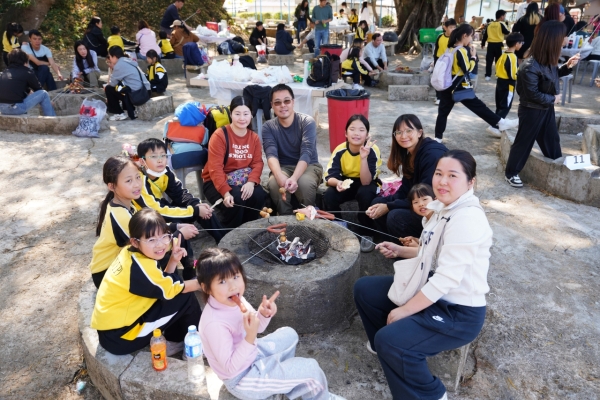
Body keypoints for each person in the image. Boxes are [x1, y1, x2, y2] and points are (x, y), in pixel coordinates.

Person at [354, 149, 492, 400]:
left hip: (458, 311)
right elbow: (429, 254)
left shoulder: (467, 218)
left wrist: (405, 310)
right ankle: (388, 350)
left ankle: (432, 394)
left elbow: (446, 278)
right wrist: (400, 250)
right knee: (365, 290)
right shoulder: (441, 208)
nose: (442, 181)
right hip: (431, 289)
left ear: (470, 182)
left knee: (390, 341)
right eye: (439, 173)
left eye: (453, 175)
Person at [196, 248, 345, 400]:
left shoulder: (234, 299)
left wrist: (263, 314)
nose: (233, 286)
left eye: (235, 276)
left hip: (252, 355)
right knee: (310, 369)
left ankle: (281, 382)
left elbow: (258, 327)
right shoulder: (213, 324)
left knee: (290, 334)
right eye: (222, 281)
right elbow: (230, 367)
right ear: (206, 288)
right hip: (242, 378)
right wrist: (250, 337)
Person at [90, 208, 202, 355]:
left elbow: (164, 284)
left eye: (164, 236)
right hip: (121, 338)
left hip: (113, 330)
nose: (160, 244)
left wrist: (174, 260)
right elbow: (176, 288)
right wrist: (206, 281)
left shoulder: (130, 253)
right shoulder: (140, 268)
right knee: (186, 296)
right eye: (151, 240)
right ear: (135, 242)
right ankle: (195, 345)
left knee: (176, 293)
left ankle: (176, 340)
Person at [504, 21, 580, 188]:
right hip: (531, 111)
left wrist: (567, 66)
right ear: (552, 40)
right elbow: (532, 94)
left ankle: (557, 165)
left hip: (546, 109)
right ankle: (511, 173)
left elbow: (551, 77)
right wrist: (553, 99)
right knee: (524, 142)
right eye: (562, 36)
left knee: (552, 139)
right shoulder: (529, 66)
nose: (565, 39)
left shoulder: (549, 61)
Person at [134, 138, 225, 255]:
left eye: (163, 155)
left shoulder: (165, 171)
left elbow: (180, 193)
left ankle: (223, 241)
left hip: (162, 208)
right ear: (142, 161)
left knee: (204, 210)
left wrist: (196, 205)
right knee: (179, 225)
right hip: (147, 218)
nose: (160, 160)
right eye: (154, 156)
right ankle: (189, 262)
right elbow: (157, 210)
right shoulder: (139, 180)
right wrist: (195, 211)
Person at [367, 114, 446, 240]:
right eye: (399, 132)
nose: (403, 136)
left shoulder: (432, 155)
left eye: (409, 131)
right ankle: (388, 244)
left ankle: (405, 248)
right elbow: (406, 190)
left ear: (419, 133)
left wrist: (389, 206)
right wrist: (387, 203)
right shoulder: (411, 154)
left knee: (395, 216)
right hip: (420, 201)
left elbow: (426, 197)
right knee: (377, 202)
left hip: (435, 210)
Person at [434, 24, 519, 142]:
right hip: (460, 84)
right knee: (479, 106)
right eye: (471, 36)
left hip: (448, 84)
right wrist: (473, 57)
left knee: (443, 112)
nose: (471, 39)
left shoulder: (450, 49)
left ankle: (438, 138)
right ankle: (501, 122)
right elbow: (467, 69)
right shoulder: (461, 50)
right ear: (465, 36)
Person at [202, 96, 267, 230]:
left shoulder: (254, 138)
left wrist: (251, 182)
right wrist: (225, 192)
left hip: (243, 178)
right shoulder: (220, 135)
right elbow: (215, 168)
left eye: (246, 114)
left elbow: (257, 163)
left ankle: (249, 230)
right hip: (215, 182)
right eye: (237, 114)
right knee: (237, 197)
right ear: (231, 114)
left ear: (251, 115)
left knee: (259, 195)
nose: (242, 118)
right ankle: (230, 232)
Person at [263, 84, 323, 215]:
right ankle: (286, 219)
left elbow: (306, 152)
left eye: (287, 101)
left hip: (309, 166)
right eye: (277, 102)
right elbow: (271, 154)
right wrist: (279, 176)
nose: (283, 105)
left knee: (304, 183)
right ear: (272, 105)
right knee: (274, 184)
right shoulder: (268, 127)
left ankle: (308, 218)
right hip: (283, 167)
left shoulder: (307, 122)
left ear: (293, 102)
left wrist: (294, 178)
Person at [324, 114, 381, 249]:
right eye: (352, 129)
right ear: (346, 133)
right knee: (329, 195)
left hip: (367, 182)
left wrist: (363, 158)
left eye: (361, 130)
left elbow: (366, 181)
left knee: (366, 193)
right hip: (346, 181)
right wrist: (337, 183)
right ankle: (339, 227)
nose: (356, 133)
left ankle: (367, 232)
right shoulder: (340, 150)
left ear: (367, 135)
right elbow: (330, 176)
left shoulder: (372, 150)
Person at [89, 156, 142, 288]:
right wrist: (176, 236)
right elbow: (145, 244)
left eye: (138, 177)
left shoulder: (126, 204)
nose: (137, 184)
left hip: (113, 267)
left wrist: (175, 227)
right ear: (112, 186)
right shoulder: (121, 215)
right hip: (106, 273)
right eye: (129, 180)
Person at [486, 32, 523, 137]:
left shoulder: (503, 54)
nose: (522, 45)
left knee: (500, 105)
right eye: (521, 43)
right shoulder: (512, 57)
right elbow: (513, 74)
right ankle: (495, 126)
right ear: (516, 44)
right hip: (508, 84)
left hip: (500, 82)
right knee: (505, 106)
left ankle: (497, 124)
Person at [0, 49, 56, 116]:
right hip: (16, 108)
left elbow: (18, 88)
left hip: (2, 108)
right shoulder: (27, 72)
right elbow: (39, 90)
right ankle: (52, 119)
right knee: (44, 93)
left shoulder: (4, 73)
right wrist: (49, 102)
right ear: (25, 61)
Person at [105, 46, 150, 121]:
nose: (109, 59)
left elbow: (112, 83)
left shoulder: (119, 65)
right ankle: (127, 109)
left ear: (114, 57)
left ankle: (119, 113)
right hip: (146, 91)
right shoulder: (128, 60)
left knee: (109, 88)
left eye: (110, 57)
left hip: (137, 96)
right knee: (123, 87)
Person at [399, 183, 436, 248]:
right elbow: (426, 242)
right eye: (416, 202)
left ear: (435, 200)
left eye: (425, 199)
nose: (421, 204)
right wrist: (415, 240)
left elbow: (435, 249)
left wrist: (417, 247)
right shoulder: (424, 220)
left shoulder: (438, 220)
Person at [433, 18, 457, 105]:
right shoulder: (440, 37)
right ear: (445, 27)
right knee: (438, 78)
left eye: (454, 27)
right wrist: (435, 62)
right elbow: (436, 49)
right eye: (451, 27)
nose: (453, 29)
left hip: (450, 62)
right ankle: (438, 97)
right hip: (440, 61)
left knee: (448, 80)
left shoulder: (456, 38)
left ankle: (447, 97)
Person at [482, 10, 510, 81]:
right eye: (504, 16)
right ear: (501, 17)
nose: (505, 17)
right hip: (499, 45)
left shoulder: (489, 24)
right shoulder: (502, 24)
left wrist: (483, 43)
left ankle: (488, 75)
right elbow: (507, 32)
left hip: (490, 45)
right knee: (498, 60)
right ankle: (497, 74)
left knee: (489, 60)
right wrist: (508, 25)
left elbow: (485, 35)